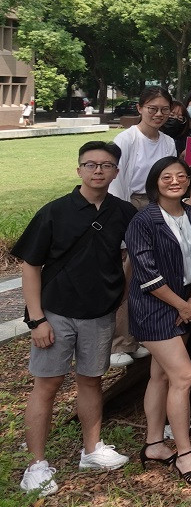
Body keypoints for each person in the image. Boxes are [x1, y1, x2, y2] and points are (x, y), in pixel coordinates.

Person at [14, 141, 137, 496]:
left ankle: (92, 448)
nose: (98, 171)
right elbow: (30, 265)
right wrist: (37, 320)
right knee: (47, 385)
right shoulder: (54, 212)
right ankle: (36, 464)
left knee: (91, 380)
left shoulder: (123, 212)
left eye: (106, 165)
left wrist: (122, 295)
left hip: (99, 314)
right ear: (78, 169)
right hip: (55, 313)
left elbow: (132, 256)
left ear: (116, 172)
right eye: (91, 164)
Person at [125, 156, 191, 484]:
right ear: (155, 182)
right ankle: (185, 454)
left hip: (185, 302)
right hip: (153, 308)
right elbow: (146, 275)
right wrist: (182, 305)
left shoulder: (190, 213)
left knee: (160, 375)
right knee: (184, 376)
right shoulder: (143, 220)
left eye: (181, 176)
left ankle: (154, 445)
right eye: (166, 177)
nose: (175, 181)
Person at [110, 87, 178, 209]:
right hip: (130, 203)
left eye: (165, 109)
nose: (159, 114)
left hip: (160, 204)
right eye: (152, 109)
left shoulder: (169, 143)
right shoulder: (126, 139)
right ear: (139, 108)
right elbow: (115, 180)